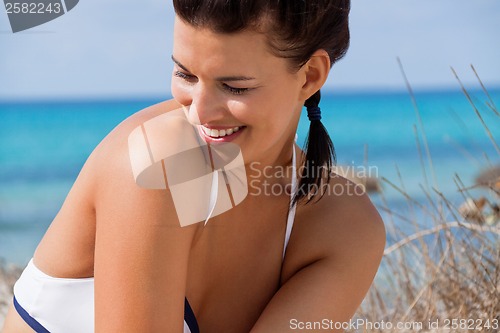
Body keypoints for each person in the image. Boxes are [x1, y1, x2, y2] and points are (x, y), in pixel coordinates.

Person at [1, 0, 385, 332]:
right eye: (185, 74)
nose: (199, 112)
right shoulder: (158, 161)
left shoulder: (343, 227)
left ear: (311, 75)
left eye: (235, 87)